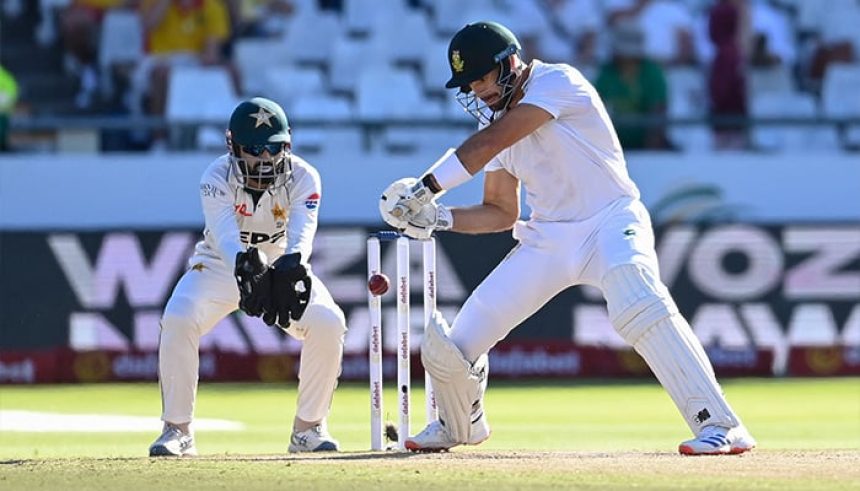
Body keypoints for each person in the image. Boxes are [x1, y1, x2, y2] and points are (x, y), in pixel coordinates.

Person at [379, 21, 756, 456]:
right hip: (549, 241)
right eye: (467, 84)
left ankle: (721, 425)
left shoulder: (557, 82)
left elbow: (490, 143)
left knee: (636, 297)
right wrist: (437, 219)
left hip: (610, 220)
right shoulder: (497, 122)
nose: (475, 90)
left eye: (479, 77)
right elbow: (501, 212)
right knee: (453, 346)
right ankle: (461, 425)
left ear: (508, 65)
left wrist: (425, 188)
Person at [149, 97, 346, 456]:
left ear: (287, 145)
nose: (265, 158)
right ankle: (177, 430)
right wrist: (244, 267)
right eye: (255, 150)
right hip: (220, 266)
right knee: (178, 317)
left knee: (329, 322)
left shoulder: (305, 176)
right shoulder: (215, 176)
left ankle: (308, 429)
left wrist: (292, 266)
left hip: (281, 264)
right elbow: (225, 236)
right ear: (233, 147)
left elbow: (303, 233)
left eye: (274, 148)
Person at [595, 22, 673, 150]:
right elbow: (595, 110)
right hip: (612, 148)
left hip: (646, 147)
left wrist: (649, 154)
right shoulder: (606, 73)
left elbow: (658, 111)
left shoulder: (652, 72)